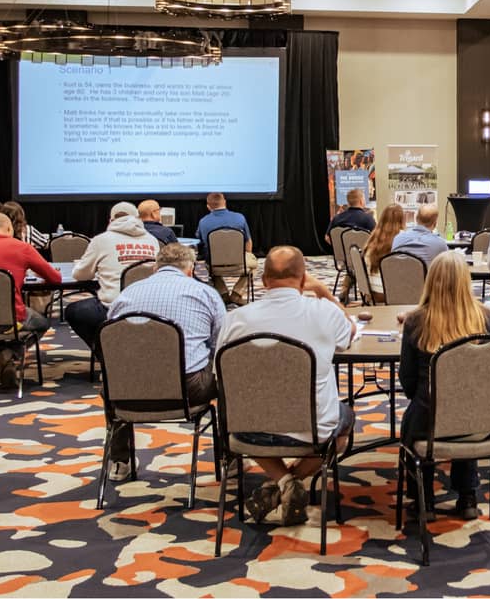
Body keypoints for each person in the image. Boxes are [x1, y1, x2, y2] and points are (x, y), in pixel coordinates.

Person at [217, 246, 355, 526]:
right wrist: (326, 294)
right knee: (344, 426)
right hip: (314, 429)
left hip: (247, 430)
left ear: (263, 281)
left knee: (231, 408)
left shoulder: (235, 320)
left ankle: (281, 482)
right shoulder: (324, 312)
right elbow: (350, 331)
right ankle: (293, 482)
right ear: (304, 280)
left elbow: (220, 377)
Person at [103, 243, 225, 482]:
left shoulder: (127, 293)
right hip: (188, 389)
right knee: (228, 374)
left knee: (109, 381)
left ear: (155, 268)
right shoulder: (205, 293)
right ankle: (228, 457)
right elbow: (221, 341)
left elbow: (110, 337)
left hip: (126, 392)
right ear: (190, 270)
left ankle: (120, 460)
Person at [400, 252, 490, 519]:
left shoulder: (415, 321)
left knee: (413, 420)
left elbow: (407, 379)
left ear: (430, 281)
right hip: (477, 420)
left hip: (428, 419)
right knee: (465, 408)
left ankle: (423, 499)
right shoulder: (486, 319)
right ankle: (467, 498)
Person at [0, 212, 61, 392]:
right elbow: (55, 278)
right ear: (10, 229)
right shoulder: (22, 247)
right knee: (42, 322)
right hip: (12, 320)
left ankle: (2, 362)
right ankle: (6, 356)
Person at [63, 202, 161, 355]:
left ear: (111, 220)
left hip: (112, 307)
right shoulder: (152, 240)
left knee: (73, 311)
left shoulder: (101, 240)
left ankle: (106, 354)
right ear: (137, 218)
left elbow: (80, 275)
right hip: (151, 307)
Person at [195, 192, 258, 305]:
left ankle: (223, 294)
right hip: (240, 264)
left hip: (214, 267)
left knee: (208, 261)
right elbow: (248, 241)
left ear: (208, 206)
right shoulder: (240, 218)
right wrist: (247, 257)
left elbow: (200, 242)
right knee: (254, 264)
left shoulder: (203, 222)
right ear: (224, 202)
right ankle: (237, 294)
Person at [364, 204, 406, 301]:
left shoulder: (372, 238)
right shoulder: (404, 238)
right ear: (402, 219)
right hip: (394, 294)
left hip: (372, 293)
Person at [390, 204, 449, 268]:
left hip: (396, 277)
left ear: (416, 219)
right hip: (425, 278)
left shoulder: (397, 238)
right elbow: (447, 268)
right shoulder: (440, 243)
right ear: (434, 224)